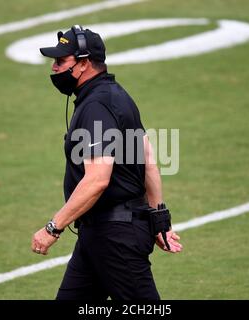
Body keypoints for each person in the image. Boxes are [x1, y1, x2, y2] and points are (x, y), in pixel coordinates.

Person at [31, 25, 182, 300]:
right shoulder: (117, 96)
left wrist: (53, 227)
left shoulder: (96, 107)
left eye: (61, 61)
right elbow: (147, 160)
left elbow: (97, 180)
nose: (54, 68)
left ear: (84, 63)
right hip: (101, 233)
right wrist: (158, 218)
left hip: (115, 237)